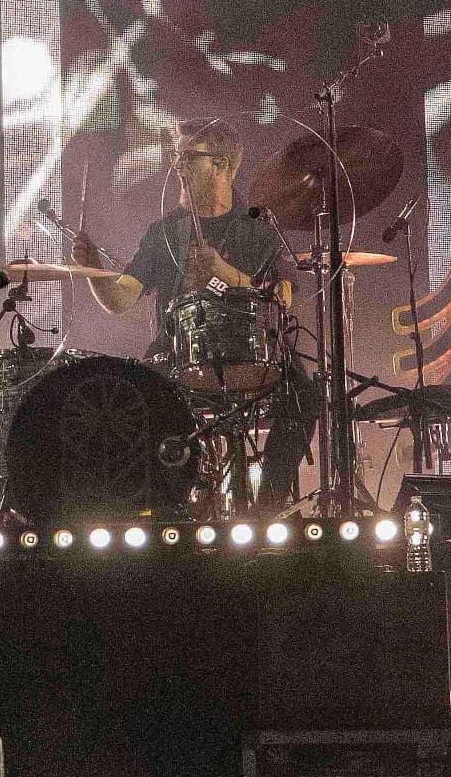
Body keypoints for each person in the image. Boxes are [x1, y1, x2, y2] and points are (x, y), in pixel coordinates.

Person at [72, 118, 306, 504]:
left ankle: (269, 502)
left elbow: (281, 297)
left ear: (222, 165)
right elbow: (119, 301)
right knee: (129, 401)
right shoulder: (164, 232)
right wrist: (92, 269)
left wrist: (223, 272)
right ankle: (168, 505)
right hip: (178, 352)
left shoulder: (261, 228)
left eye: (186, 157)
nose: (176, 166)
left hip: (254, 352)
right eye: (174, 156)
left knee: (306, 397)